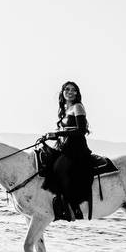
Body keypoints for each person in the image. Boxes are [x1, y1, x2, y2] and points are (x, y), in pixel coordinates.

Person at [43, 80, 93, 219]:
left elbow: (81, 130)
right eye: (67, 89)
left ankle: (74, 206)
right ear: (63, 92)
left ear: (77, 93)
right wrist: (52, 136)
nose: (70, 92)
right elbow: (65, 131)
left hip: (76, 147)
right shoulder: (65, 109)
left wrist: (59, 134)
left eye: (73, 90)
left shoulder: (78, 107)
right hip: (65, 146)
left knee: (60, 168)